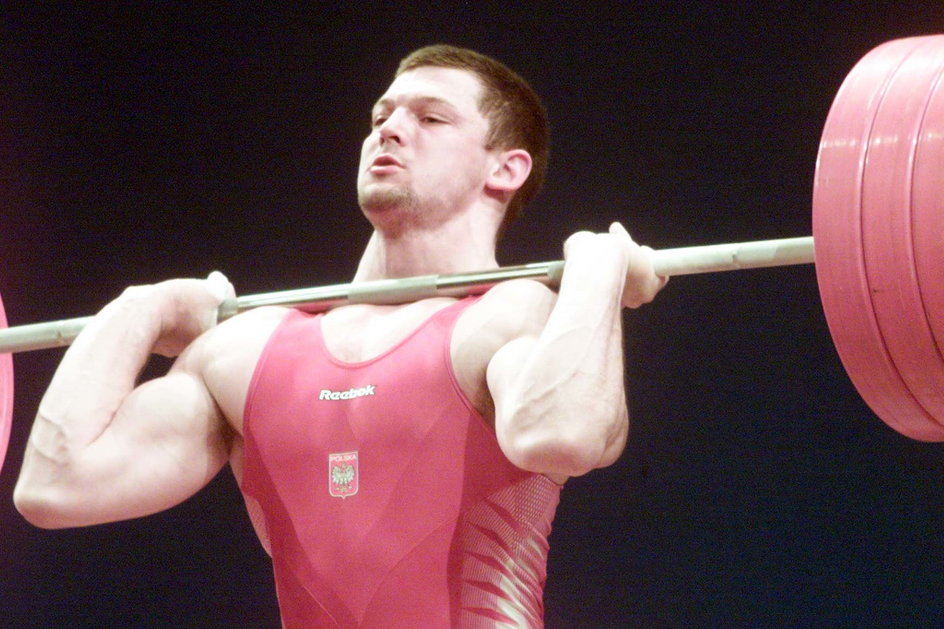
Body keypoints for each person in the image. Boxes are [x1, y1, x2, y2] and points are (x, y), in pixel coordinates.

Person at [13, 44, 666, 627]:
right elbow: (54, 486)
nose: (390, 129)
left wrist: (594, 273)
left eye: (431, 118)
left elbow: (564, 434)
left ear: (506, 169)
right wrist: (144, 308)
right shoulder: (248, 350)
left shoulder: (504, 316)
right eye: (382, 115)